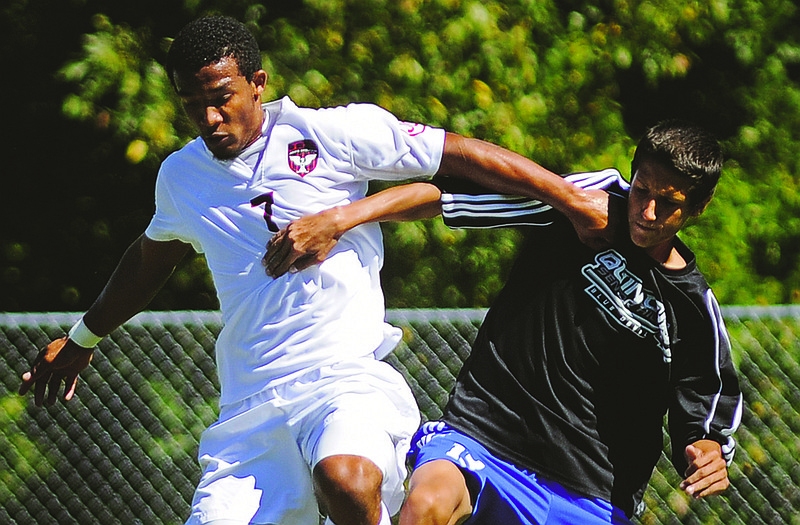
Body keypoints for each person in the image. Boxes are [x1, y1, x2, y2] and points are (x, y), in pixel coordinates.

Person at [18, 16, 615, 525]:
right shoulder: (182, 177)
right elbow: (150, 258)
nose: (209, 116)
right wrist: (83, 338)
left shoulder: (331, 133)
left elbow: (454, 153)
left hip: (343, 380)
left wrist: (571, 198)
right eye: (191, 103)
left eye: (221, 96)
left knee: (348, 479)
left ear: (258, 83)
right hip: (250, 408)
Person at [265, 120, 743, 524]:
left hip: (591, 489)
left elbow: (704, 400)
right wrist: (343, 217)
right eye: (642, 190)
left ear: (697, 209)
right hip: (486, 434)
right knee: (426, 505)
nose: (648, 211)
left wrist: (703, 448)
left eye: (669, 203)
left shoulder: (692, 307)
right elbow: (444, 197)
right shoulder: (581, 206)